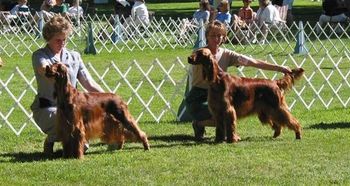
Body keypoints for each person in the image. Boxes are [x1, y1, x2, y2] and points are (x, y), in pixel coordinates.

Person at [185, 20, 292, 141]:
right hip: (199, 96)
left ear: (224, 37)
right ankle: (198, 124)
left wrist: (279, 68)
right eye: (213, 35)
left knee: (228, 113)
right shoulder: (201, 54)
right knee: (222, 116)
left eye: (220, 35)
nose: (216, 39)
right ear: (207, 37)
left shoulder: (227, 54)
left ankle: (226, 132)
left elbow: (252, 62)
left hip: (218, 93)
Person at [30, 15, 105, 155]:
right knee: (66, 122)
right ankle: (51, 140)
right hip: (48, 108)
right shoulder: (39, 55)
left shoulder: (74, 56)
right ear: (48, 38)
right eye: (58, 40)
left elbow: (89, 83)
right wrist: (55, 70)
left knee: (83, 146)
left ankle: (69, 143)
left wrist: (108, 97)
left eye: (65, 39)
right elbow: (44, 69)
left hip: (72, 107)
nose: (62, 43)